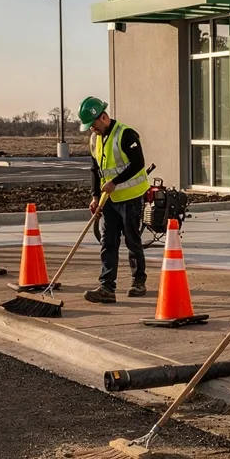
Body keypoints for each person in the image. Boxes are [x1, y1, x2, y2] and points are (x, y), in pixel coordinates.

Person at [77, 95, 149, 304]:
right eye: (89, 127)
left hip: (131, 197)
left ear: (104, 117)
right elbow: (95, 170)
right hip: (109, 199)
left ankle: (138, 281)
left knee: (132, 240)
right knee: (108, 242)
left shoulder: (126, 135)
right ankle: (107, 286)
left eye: (93, 125)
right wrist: (95, 196)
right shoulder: (94, 140)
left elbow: (138, 164)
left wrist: (115, 182)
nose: (92, 130)